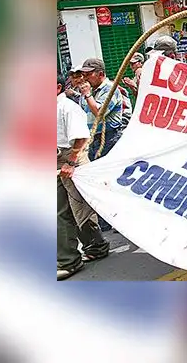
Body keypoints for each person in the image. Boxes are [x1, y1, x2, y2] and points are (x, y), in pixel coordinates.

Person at [57, 77, 109, 279]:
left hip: (72, 158)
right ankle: (69, 259)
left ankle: (95, 246)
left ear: (58, 87)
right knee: (60, 211)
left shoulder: (67, 107)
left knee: (80, 209)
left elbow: (81, 136)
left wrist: (70, 162)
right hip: (54, 160)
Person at [72, 58, 127, 161]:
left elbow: (99, 113)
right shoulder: (89, 90)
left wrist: (88, 94)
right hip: (93, 140)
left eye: (88, 74)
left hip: (110, 138)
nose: (85, 78)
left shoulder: (110, 89)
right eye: (84, 75)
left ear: (100, 74)